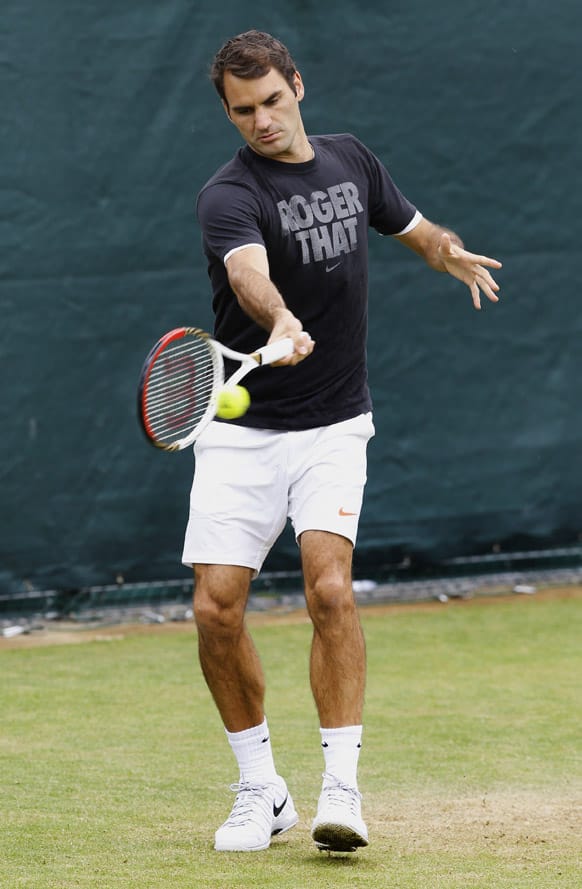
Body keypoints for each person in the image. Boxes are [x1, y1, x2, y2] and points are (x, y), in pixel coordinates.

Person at [182, 29, 501, 854]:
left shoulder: (352, 160)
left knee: (330, 589)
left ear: (298, 86)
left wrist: (444, 250)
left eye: (272, 102)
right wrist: (281, 318)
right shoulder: (227, 194)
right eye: (243, 110)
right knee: (216, 608)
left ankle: (342, 790)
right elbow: (249, 273)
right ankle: (262, 790)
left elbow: (413, 227)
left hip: (331, 423)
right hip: (241, 434)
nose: (261, 121)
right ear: (229, 112)